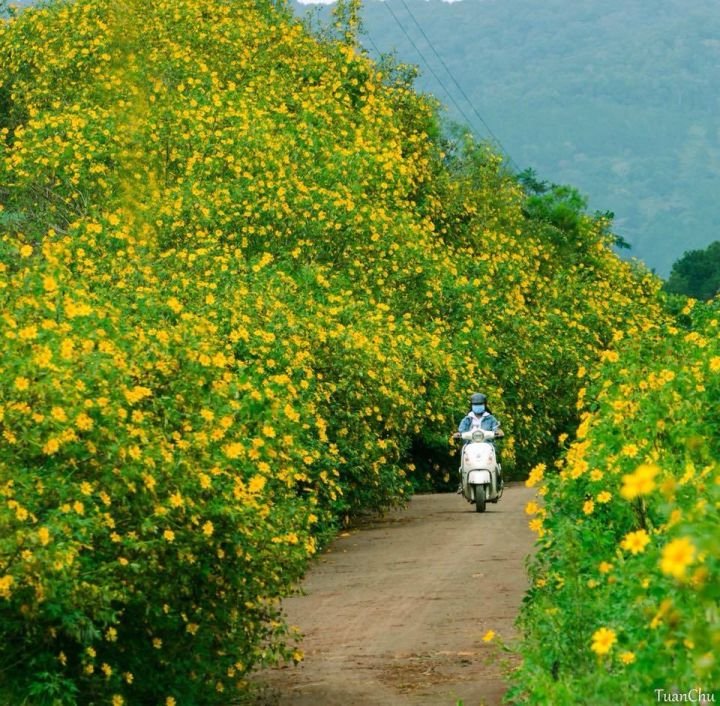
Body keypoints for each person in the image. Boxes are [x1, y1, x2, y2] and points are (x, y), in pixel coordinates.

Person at [454, 392, 504, 492]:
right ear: (471, 405)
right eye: (475, 405)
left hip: (488, 445)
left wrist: (499, 432)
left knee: (497, 455)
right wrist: (457, 434)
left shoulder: (490, 418)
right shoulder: (467, 419)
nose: (477, 407)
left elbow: (496, 429)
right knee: (462, 456)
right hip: (470, 445)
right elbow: (461, 430)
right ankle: (461, 482)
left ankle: (498, 480)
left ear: (485, 405)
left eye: (480, 404)